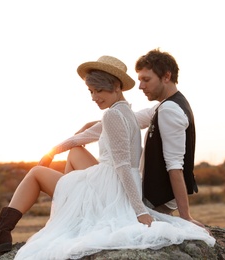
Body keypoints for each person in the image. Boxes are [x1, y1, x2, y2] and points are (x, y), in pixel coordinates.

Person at [0, 55, 215, 259]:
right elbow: (92, 133)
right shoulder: (126, 112)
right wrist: (54, 150)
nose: (94, 96)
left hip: (114, 184)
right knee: (74, 152)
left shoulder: (115, 115)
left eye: (99, 90)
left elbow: (122, 165)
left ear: (117, 87)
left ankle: (1, 233)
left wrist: (140, 211)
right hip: (117, 181)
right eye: (91, 91)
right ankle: (69, 203)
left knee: (37, 173)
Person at [72, 49, 204, 227]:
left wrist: (186, 216)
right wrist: (88, 126)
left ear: (166, 76)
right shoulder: (166, 106)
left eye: (146, 80)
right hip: (153, 192)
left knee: (73, 178)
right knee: (78, 167)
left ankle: (70, 218)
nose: (141, 86)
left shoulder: (169, 110)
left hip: (156, 198)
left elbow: (175, 166)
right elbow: (128, 120)